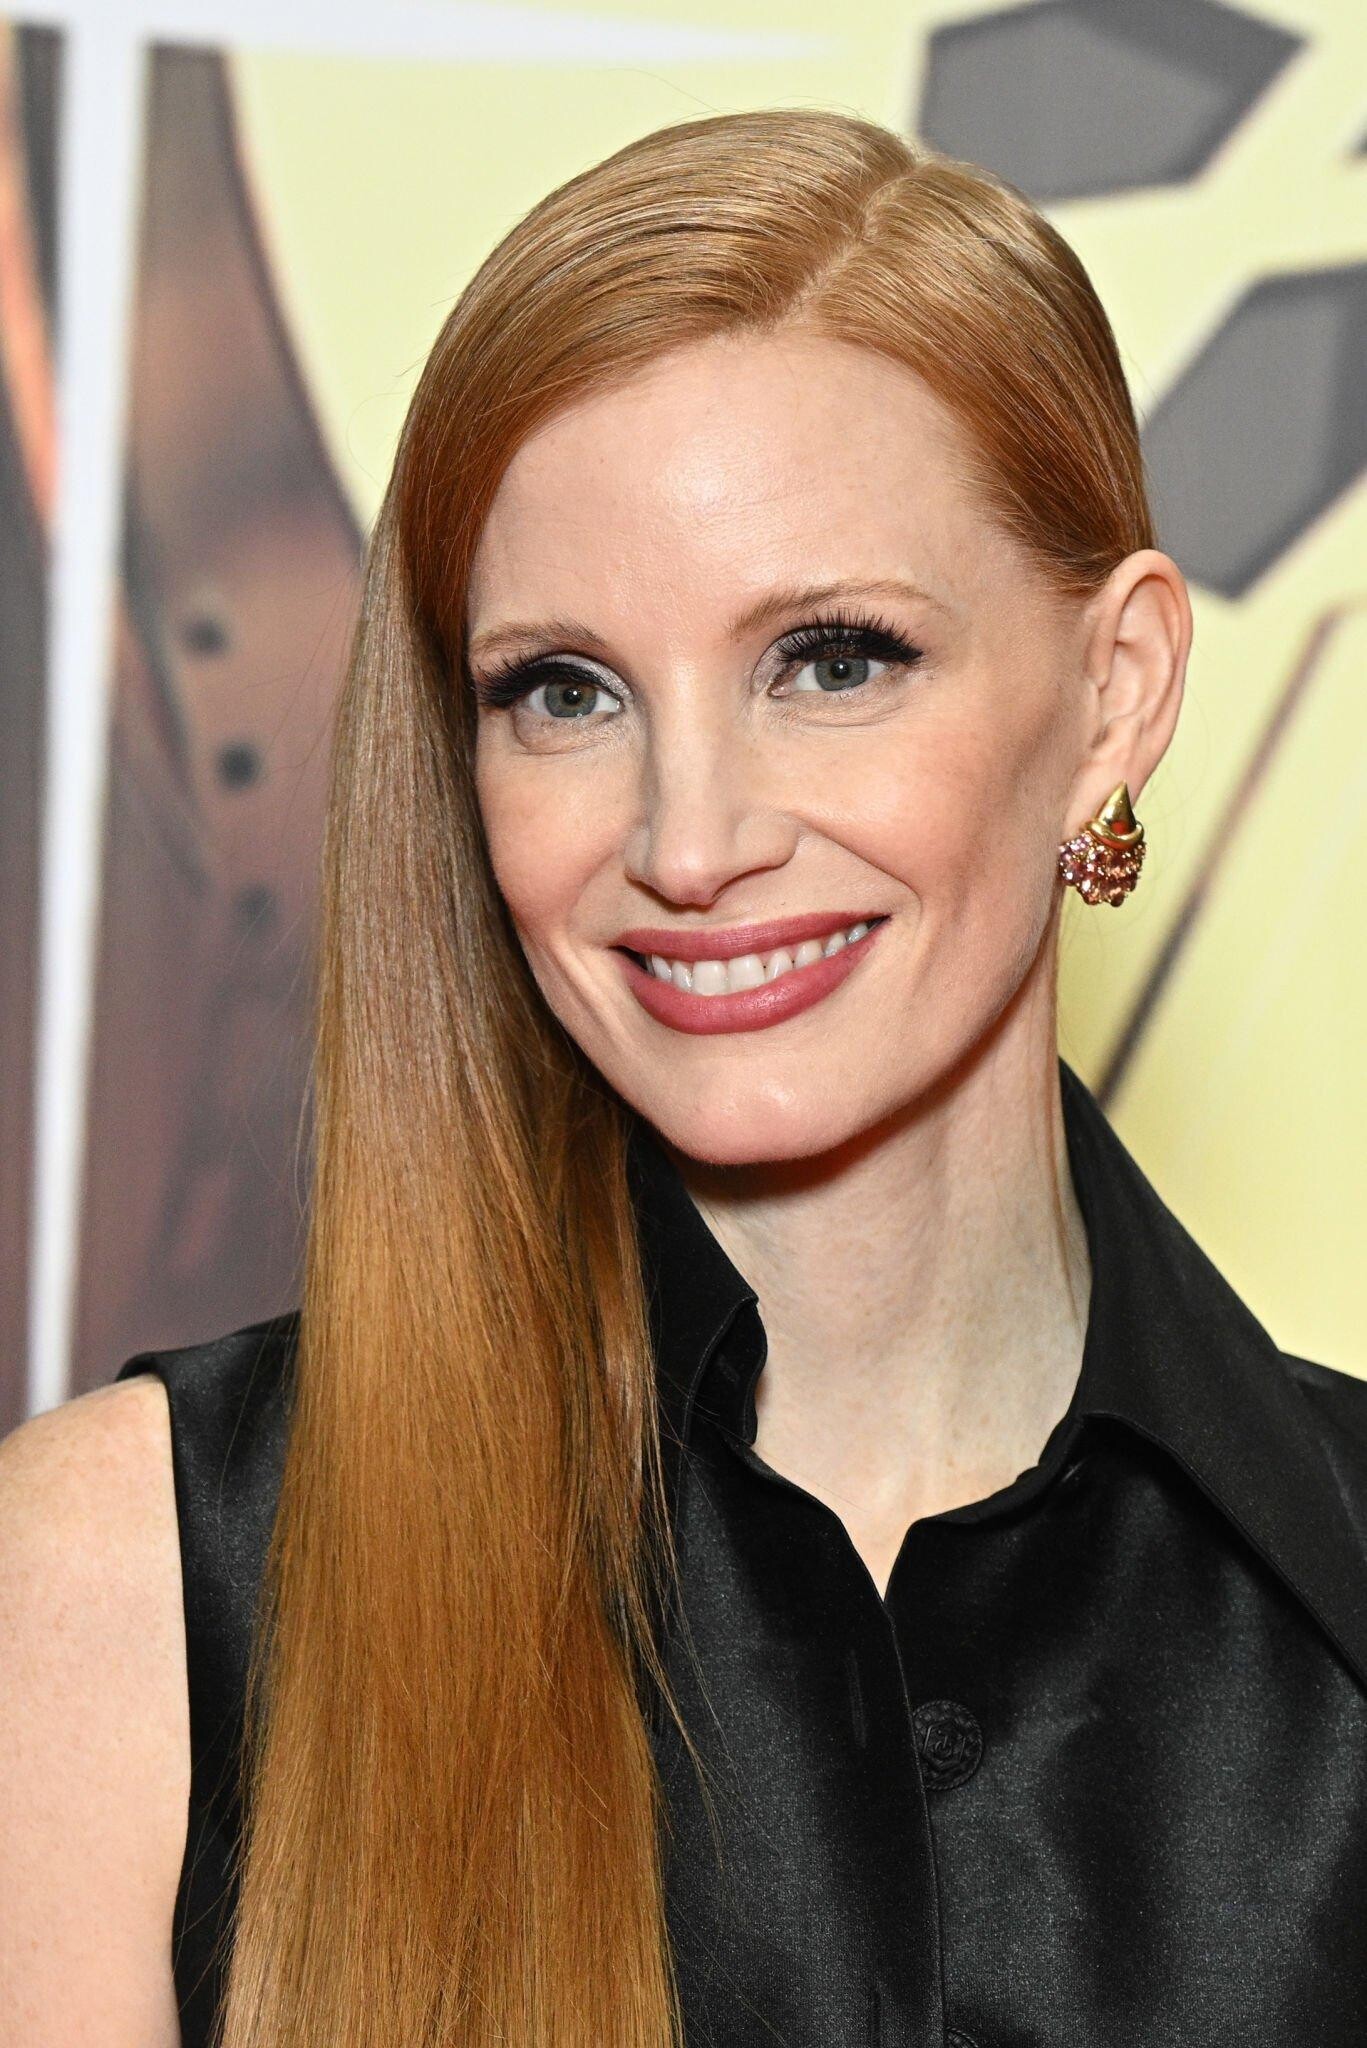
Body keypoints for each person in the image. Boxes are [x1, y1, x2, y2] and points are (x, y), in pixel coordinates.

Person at [2, 105, 1365, 2048]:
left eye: (833, 659)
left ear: (1116, 692)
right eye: (565, 691)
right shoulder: (115, 1591)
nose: (691, 840)